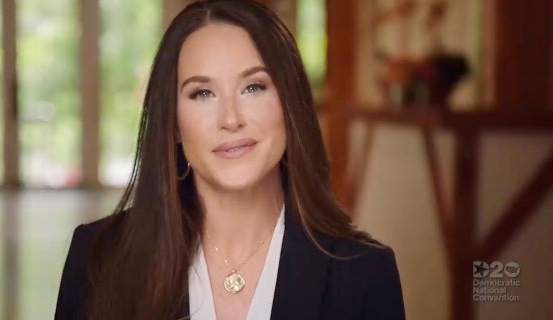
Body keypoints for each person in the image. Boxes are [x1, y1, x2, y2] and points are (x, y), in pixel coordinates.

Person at [55, 0, 405, 319]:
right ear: (173, 124)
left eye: (253, 87)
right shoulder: (98, 258)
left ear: (289, 104)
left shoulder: (364, 272)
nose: (231, 118)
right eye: (202, 93)